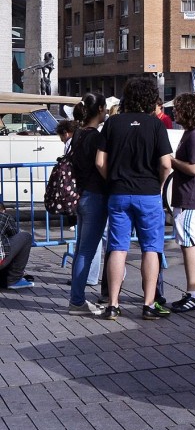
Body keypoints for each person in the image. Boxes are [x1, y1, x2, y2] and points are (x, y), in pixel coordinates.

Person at [96, 77, 173, 320]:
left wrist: (112, 180)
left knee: (117, 248)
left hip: (119, 193)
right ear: (151, 99)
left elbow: (100, 161)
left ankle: (113, 304)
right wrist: (159, 186)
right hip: (148, 193)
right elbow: (165, 164)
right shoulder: (155, 125)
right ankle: (148, 304)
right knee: (151, 249)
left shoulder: (113, 123)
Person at [166, 93, 195, 313]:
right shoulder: (193, 133)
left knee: (189, 246)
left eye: (178, 108)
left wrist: (171, 161)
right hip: (193, 196)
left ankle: (193, 293)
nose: (175, 112)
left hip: (191, 198)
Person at [67, 93, 108, 315]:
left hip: (80, 194)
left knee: (81, 249)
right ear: (100, 109)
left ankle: (76, 298)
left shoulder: (78, 134)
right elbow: (101, 165)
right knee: (86, 251)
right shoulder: (96, 137)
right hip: (94, 195)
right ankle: (77, 301)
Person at [0, 201, 34, 289]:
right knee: (26, 237)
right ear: (3, 210)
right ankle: (14, 279)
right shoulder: (4, 217)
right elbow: (14, 235)